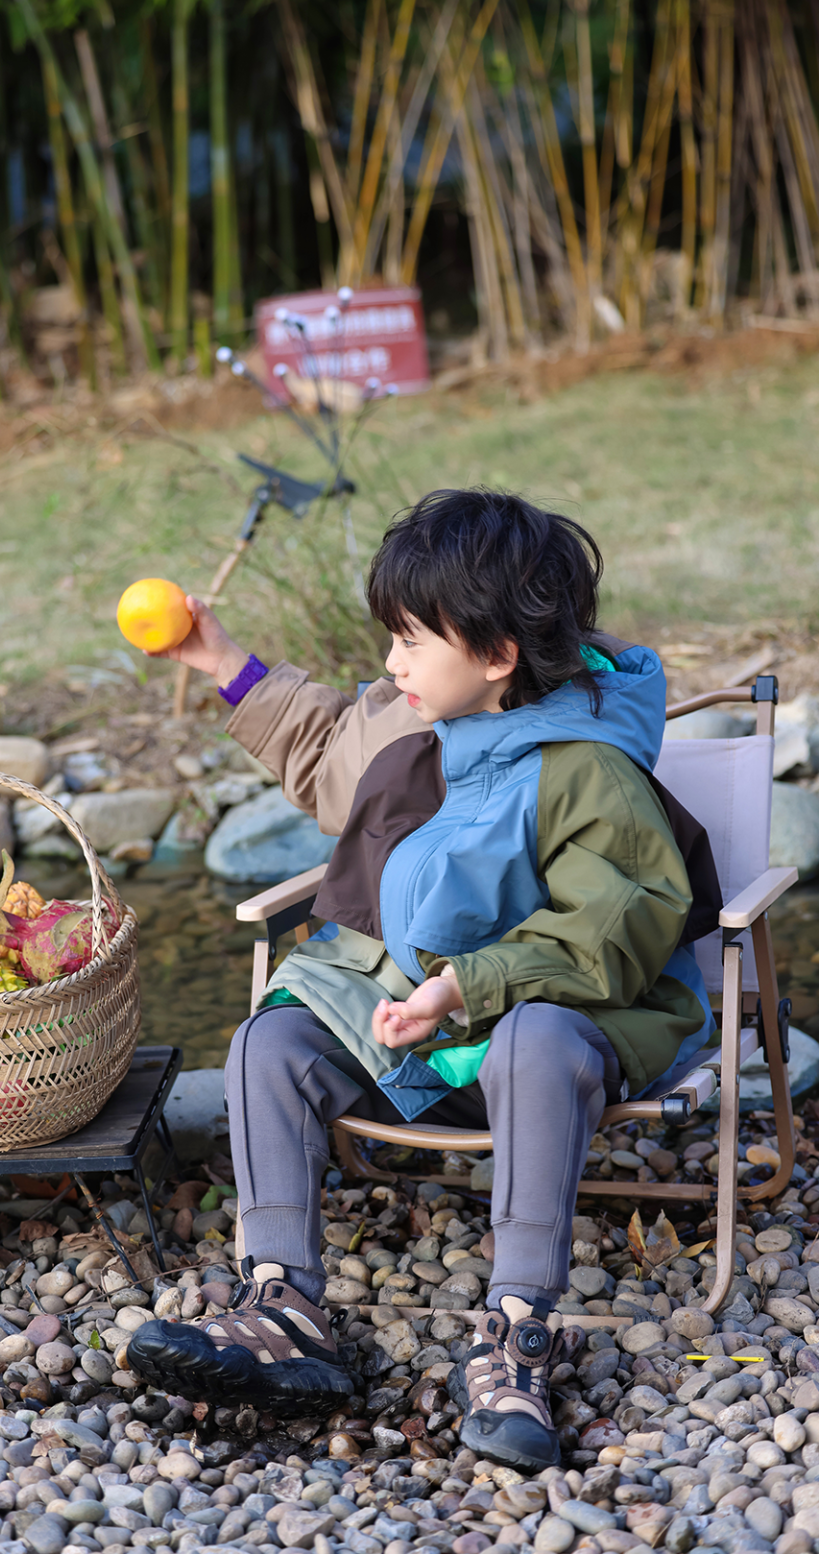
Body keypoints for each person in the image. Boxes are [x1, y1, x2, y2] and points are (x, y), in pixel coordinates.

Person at [127, 488, 718, 1472]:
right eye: (391, 637)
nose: (392, 663)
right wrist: (220, 662)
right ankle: (283, 1306)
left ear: (496, 657)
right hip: (425, 1010)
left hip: (568, 1013)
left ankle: (518, 1331)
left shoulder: (585, 772)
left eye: (411, 640)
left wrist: (466, 986)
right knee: (272, 1039)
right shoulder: (417, 719)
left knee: (533, 1038)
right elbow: (323, 752)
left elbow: (618, 929)